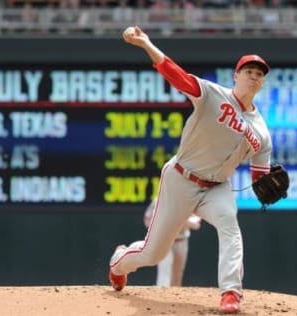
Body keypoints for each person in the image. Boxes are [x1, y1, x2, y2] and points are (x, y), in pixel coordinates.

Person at [108, 25, 273, 314]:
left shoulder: (262, 132)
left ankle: (231, 293)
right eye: (248, 71)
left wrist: (267, 184)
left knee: (230, 226)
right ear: (236, 76)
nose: (253, 76)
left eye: (258, 74)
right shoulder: (213, 94)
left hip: (217, 187)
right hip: (181, 179)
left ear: (261, 83)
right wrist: (147, 43)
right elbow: (176, 75)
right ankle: (119, 261)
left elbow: (260, 175)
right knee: (153, 253)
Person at [144, 201, 202, 287]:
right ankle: (162, 295)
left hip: (181, 241)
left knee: (177, 274)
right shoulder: (159, 200)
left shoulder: (187, 201)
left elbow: (196, 224)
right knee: (164, 270)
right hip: (164, 240)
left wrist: (180, 221)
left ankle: (173, 296)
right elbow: (147, 220)